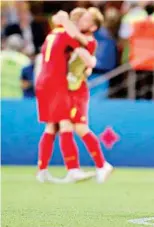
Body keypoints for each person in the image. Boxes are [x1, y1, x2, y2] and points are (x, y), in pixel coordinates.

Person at [35, 10, 93, 183]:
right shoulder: (67, 35)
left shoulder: (52, 34)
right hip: (56, 83)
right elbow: (87, 47)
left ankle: (42, 169)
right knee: (65, 124)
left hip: (43, 82)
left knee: (51, 127)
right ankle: (73, 169)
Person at [67, 7, 113, 183]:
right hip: (71, 88)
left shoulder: (86, 41)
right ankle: (74, 168)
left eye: (85, 20)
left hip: (76, 90)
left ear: (93, 27)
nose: (79, 22)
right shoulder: (80, 39)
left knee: (77, 127)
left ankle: (101, 164)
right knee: (67, 128)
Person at [1, 34, 30, 99]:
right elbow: (28, 82)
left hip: (1, 97)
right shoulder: (25, 60)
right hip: (18, 98)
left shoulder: (1, 56)